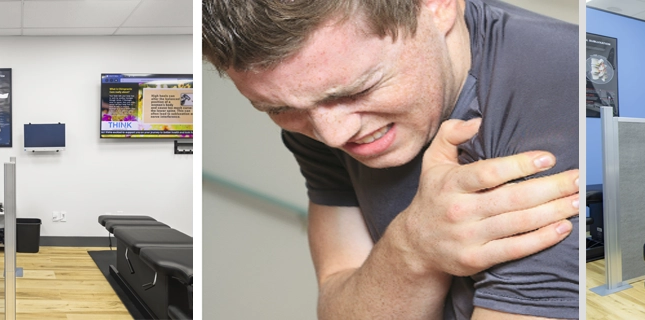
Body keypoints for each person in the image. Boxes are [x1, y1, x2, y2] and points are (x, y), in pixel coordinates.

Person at [202, 0, 580, 319]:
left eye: (357, 89)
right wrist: (413, 248)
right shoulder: (314, 110)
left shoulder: (563, 86)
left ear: (436, 7)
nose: (333, 136)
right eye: (279, 108)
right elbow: (337, 307)